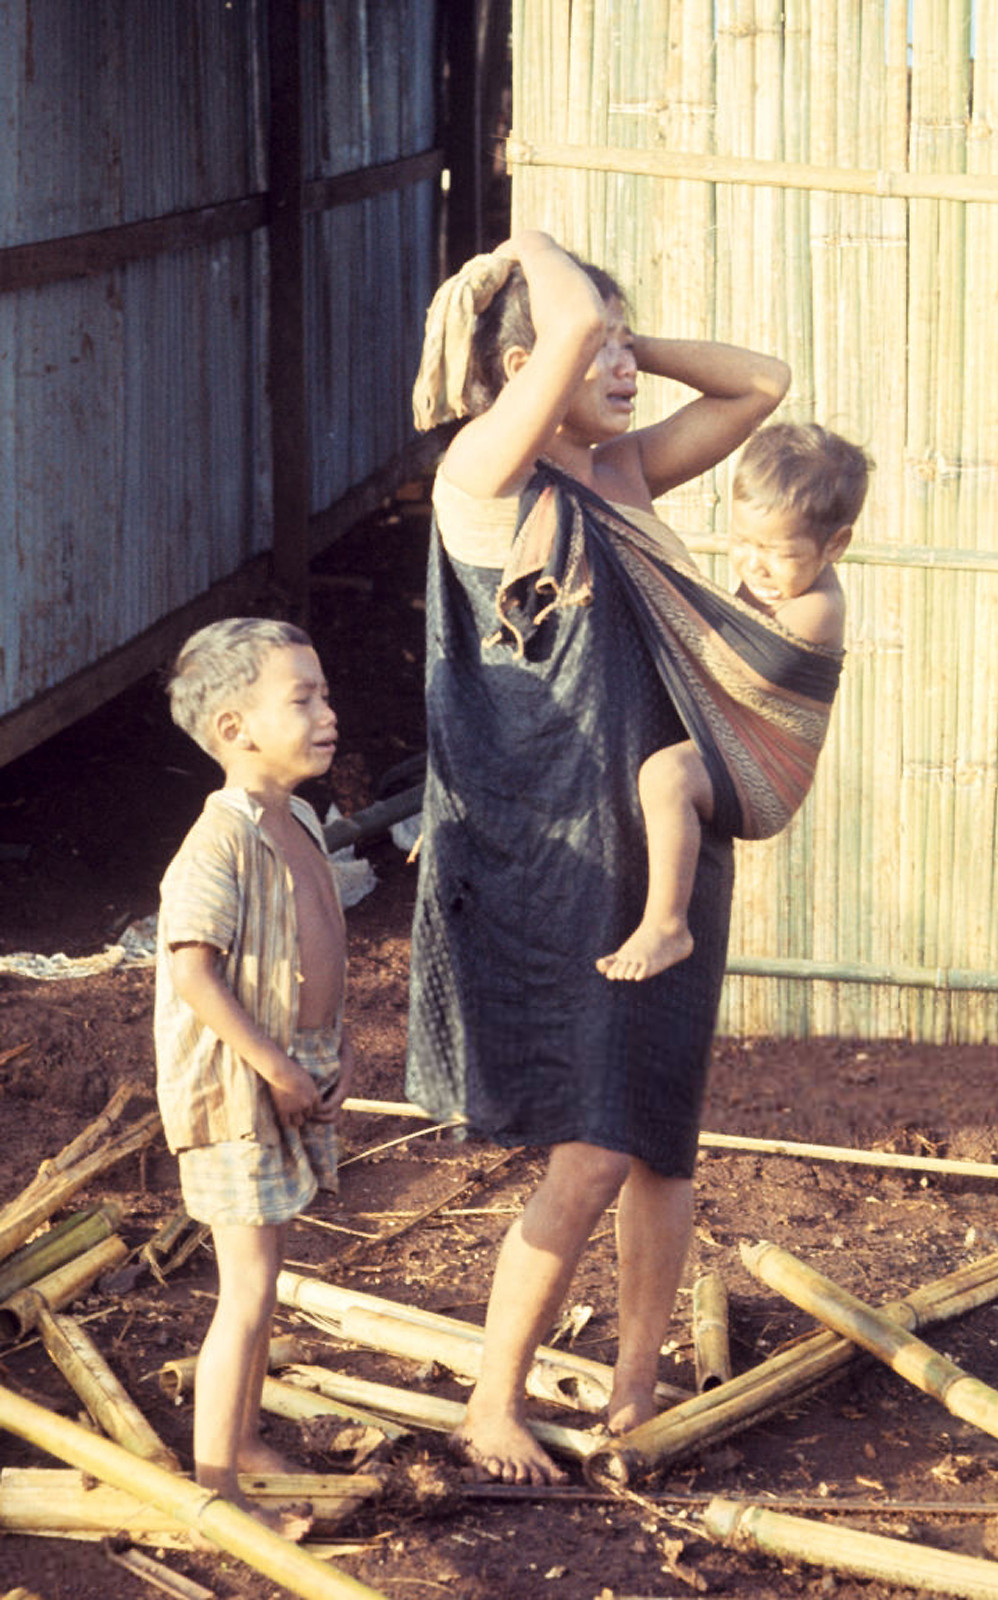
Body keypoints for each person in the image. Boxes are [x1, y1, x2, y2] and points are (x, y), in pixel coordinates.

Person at [405, 229, 791, 1485]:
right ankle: (488, 1400)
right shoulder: (482, 479)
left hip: (665, 853)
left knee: (659, 1136)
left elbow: (758, 383)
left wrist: (626, 338)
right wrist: (530, 250)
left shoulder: (615, 478)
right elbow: (561, 334)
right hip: (556, 860)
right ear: (522, 365)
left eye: (630, 345)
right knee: (589, 1143)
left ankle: (633, 1387)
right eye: (602, 348)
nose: (623, 364)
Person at [153, 617, 355, 1536]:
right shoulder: (217, 841)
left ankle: (241, 1441)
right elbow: (193, 969)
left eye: (323, 693)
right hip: (239, 1089)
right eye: (302, 699)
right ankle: (217, 1492)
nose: (328, 713)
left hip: (292, 1067)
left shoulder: (297, 816)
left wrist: (325, 1049)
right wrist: (274, 1065)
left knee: (264, 1277)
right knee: (243, 1288)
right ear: (235, 730)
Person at [597, 421, 872, 982]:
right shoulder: (782, 581)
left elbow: (711, 645)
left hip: (765, 778)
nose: (755, 565)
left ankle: (667, 925)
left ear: (835, 546)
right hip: (726, 742)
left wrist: (651, 573)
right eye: (742, 542)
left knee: (666, 777)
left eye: (778, 552)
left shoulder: (816, 609)